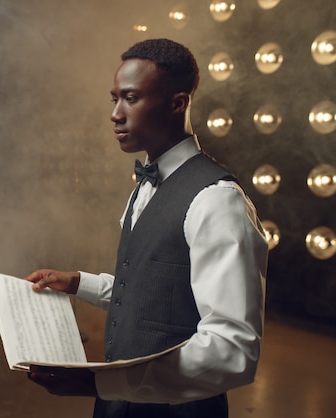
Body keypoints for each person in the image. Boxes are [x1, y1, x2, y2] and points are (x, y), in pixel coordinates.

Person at [24, 38, 268, 418]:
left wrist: (98, 382)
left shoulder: (217, 201)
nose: (115, 114)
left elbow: (233, 351)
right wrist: (75, 282)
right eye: (114, 99)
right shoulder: (144, 186)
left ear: (177, 103)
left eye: (131, 98)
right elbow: (152, 291)